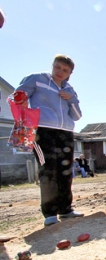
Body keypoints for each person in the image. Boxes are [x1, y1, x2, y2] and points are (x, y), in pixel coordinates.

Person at [14, 54, 84, 226]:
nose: (60, 72)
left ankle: (65, 209)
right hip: (42, 131)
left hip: (65, 132)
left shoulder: (70, 89)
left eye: (65, 70)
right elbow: (18, 97)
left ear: (70, 73)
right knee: (48, 169)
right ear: (52, 65)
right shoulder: (37, 79)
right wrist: (21, 105)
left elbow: (76, 116)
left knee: (65, 171)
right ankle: (50, 213)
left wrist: (72, 99)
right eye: (58, 67)